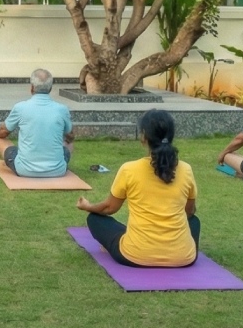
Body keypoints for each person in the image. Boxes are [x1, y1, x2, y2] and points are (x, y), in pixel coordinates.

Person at [76, 109, 199, 267]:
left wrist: (88, 207)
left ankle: (127, 243)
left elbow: (108, 208)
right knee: (194, 221)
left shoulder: (129, 169)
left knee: (95, 218)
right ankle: (174, 248)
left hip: (135, 255)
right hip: (182, 257)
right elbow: (189, 212)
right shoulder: (186, 169)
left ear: (143, 137)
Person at [0, 68, 73, 177]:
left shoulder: (20, 108)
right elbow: (70, 135)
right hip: (57, 170)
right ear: (50, 88)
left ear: (32, 88)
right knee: (68, 144)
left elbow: (3, 131)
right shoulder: (62, 109)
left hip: (24, 169)